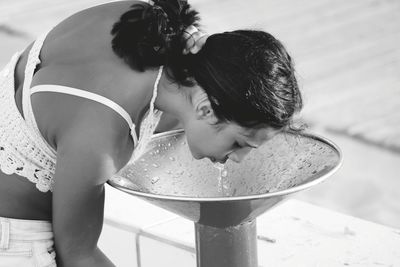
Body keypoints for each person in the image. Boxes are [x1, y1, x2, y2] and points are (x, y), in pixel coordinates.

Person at [0, 0, 302, 266]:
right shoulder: (103, 136)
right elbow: (78, 256)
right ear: (206, 109)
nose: (237, 159)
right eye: (239, 143)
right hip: (15, 245)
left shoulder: (147, 25)